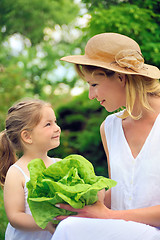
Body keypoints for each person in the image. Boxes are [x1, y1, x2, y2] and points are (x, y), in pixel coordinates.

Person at [50, 33, 160, 240]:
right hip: (122, 230)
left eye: (94, 84)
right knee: (69, 224)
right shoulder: (109, 127)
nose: (91, 96)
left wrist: (108, 215)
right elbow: (118, 191)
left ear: (120, 77)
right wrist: (79, 198)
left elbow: (110, 212)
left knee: (69, 230)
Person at [0, 98, 61, 240]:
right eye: (48, 124)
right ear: (27, 136)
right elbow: (15, 216)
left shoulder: (59, 164)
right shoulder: (16, 173)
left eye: (55, 122)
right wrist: (46, 223)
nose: (57, 127)